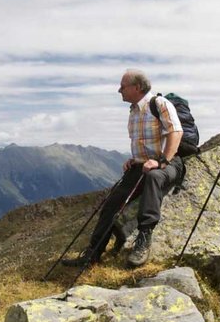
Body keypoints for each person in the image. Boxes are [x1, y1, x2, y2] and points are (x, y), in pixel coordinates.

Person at [62, 69, 184, 268]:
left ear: (137, 87)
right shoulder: (134, 111)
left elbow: (176, 132)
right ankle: (93, 253)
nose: (119, 90)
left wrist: (162, 161)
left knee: (154, 178)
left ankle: (143, 242)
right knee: (111, 203)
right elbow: (144, 142)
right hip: (142, 165)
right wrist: (135, 160)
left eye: (123, 86)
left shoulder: (159, 104)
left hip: (168, 163)